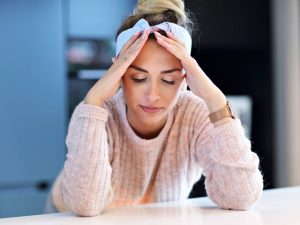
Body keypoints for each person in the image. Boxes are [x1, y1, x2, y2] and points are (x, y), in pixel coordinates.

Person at [45, 0, 263, 217]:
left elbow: (241, 197)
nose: (152, 95)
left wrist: (216, 101)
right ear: (118, 74)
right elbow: (85, 205)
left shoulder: (195, 115)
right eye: (139, 78)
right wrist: (93, 99)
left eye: (168, 80)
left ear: (185, 77)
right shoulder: (95, 112)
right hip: (66, 215)